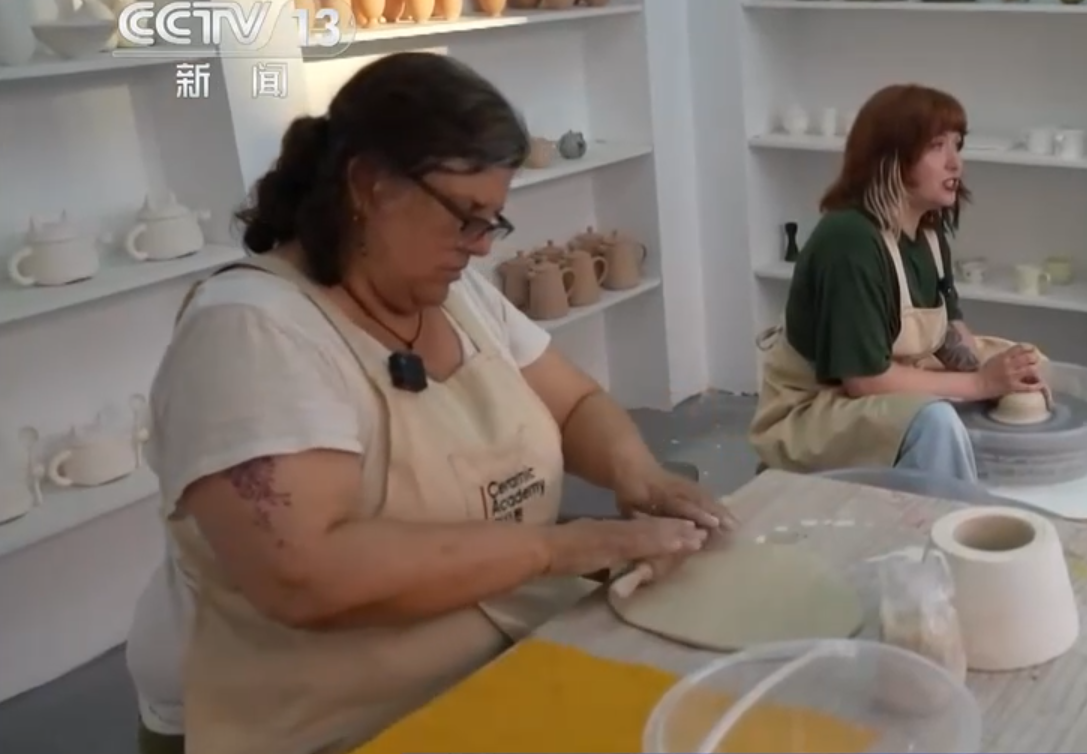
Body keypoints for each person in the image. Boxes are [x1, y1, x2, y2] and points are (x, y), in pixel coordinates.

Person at [123, 52, 734, 754]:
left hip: (502, 660)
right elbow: (305, 575)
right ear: (370, 185)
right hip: (342, 720)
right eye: (466, 218)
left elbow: (573, 404)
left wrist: (640, 474)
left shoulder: (455, 293)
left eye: (493, 222)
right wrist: (562, 547)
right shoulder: (251, 332)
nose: (480, 246)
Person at [749, 84, 1044, 480]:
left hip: (886, 378)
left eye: (957, 146)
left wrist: (1001, 373)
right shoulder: (850, 241)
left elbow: (949, 333)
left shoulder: (928, 233)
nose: (956, 164)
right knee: (935, 422)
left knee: (1029, 362)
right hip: (813, 410)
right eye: (937, 147)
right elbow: (865, 380)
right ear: (890, 157)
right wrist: (979, 383)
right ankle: (948, 511)